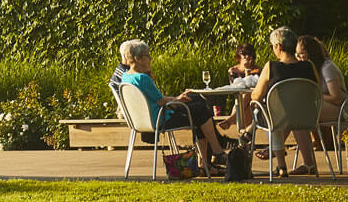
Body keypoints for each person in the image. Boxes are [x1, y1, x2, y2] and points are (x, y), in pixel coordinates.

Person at [119, 40, 227, 175]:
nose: (150, 59)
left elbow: (156, 99)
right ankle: (215, 153)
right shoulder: (142, 78)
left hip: (144, 121)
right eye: (147, 56)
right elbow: (161, 101)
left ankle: (206, 162)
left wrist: (178, 98)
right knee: (201, 111)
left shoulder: (126, 78)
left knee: (197, 104)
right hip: (162, 118)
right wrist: (177, 99)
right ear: (137, 58)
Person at [250, 26, 323, 177]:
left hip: (278, 119)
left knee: (270, 113)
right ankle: (304, 164)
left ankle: (281, 166)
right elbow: (317, 89)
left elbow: (256, 96)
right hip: (307, 117)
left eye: (272, 46)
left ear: (279, 46)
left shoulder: (271, 67)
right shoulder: (309, 66)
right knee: (277, 113)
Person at [219, 43, 261, 131]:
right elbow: (235, 87)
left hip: (255, 100)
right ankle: (246, 141)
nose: (247, 56)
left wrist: (247, 71)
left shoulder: (258, 70)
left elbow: (257, 88)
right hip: (241, 100)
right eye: (244, 54)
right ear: (239, 55)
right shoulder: (233, 70)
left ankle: (231, 119)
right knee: (246, 97)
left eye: (249, 54)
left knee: (249, 95)